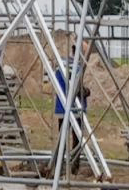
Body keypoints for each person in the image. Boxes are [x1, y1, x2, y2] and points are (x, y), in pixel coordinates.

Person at [52, 43, 90, 175]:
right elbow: (76, 89)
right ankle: (74, 166)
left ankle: (58, 165)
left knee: (62, 138)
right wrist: (86, 91)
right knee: (77, 139)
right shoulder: (77, 67)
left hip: (61, 107)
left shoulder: (61, 64)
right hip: (75, 108)